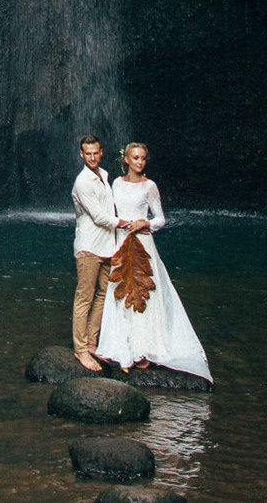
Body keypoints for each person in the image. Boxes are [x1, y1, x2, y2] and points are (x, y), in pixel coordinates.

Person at [92, 141, 212, 382]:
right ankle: (120, 345)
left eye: (143, 158)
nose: (140, 162)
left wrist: (145, 223)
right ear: (126, 160)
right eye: (135, 158)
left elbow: (161, 219)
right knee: (120, 291)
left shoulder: (150, 186)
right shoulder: (116, 184)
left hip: (143, 243)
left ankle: (144, 348)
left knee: (144, 293)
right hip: (121, 242)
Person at [70, 134, 121, 371]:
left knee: (103, 295)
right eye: (87, 154)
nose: (92, 157)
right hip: (89, 247)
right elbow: (99, 216)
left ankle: (92, 343)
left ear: (101, 152)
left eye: (95, 153)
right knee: (85, 298)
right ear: (81, 154)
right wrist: (125, 223)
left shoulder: (104, 175)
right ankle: (80, 350)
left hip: (107, 246)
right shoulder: (82, 182)